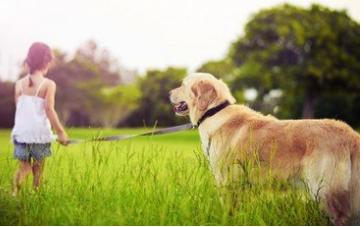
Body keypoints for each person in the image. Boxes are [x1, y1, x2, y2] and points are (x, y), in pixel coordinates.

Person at [11, 42, 69, 196]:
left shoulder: (18, 85)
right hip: (39, 135)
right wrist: (61, 132)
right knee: (38, 169)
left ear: (28, 61)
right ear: (46, 62)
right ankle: (36, 196)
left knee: (23, 167)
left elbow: (20, 109)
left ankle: (15, 193)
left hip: (21, 134)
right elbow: (49, 109)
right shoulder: (48, 84)